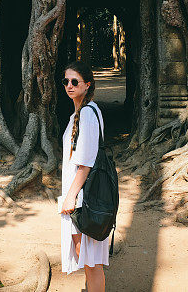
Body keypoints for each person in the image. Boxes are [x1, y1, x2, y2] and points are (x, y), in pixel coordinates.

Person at [59, 60, 107, 292]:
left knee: (90, 260)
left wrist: (70, 197)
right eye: (66, 81)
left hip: (82, 197)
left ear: (87, 84)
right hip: (80, 194)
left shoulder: (88, 114)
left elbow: (85, 163)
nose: (69, 85)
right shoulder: (81, 113)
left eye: (75, 81)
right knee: (86, 257)